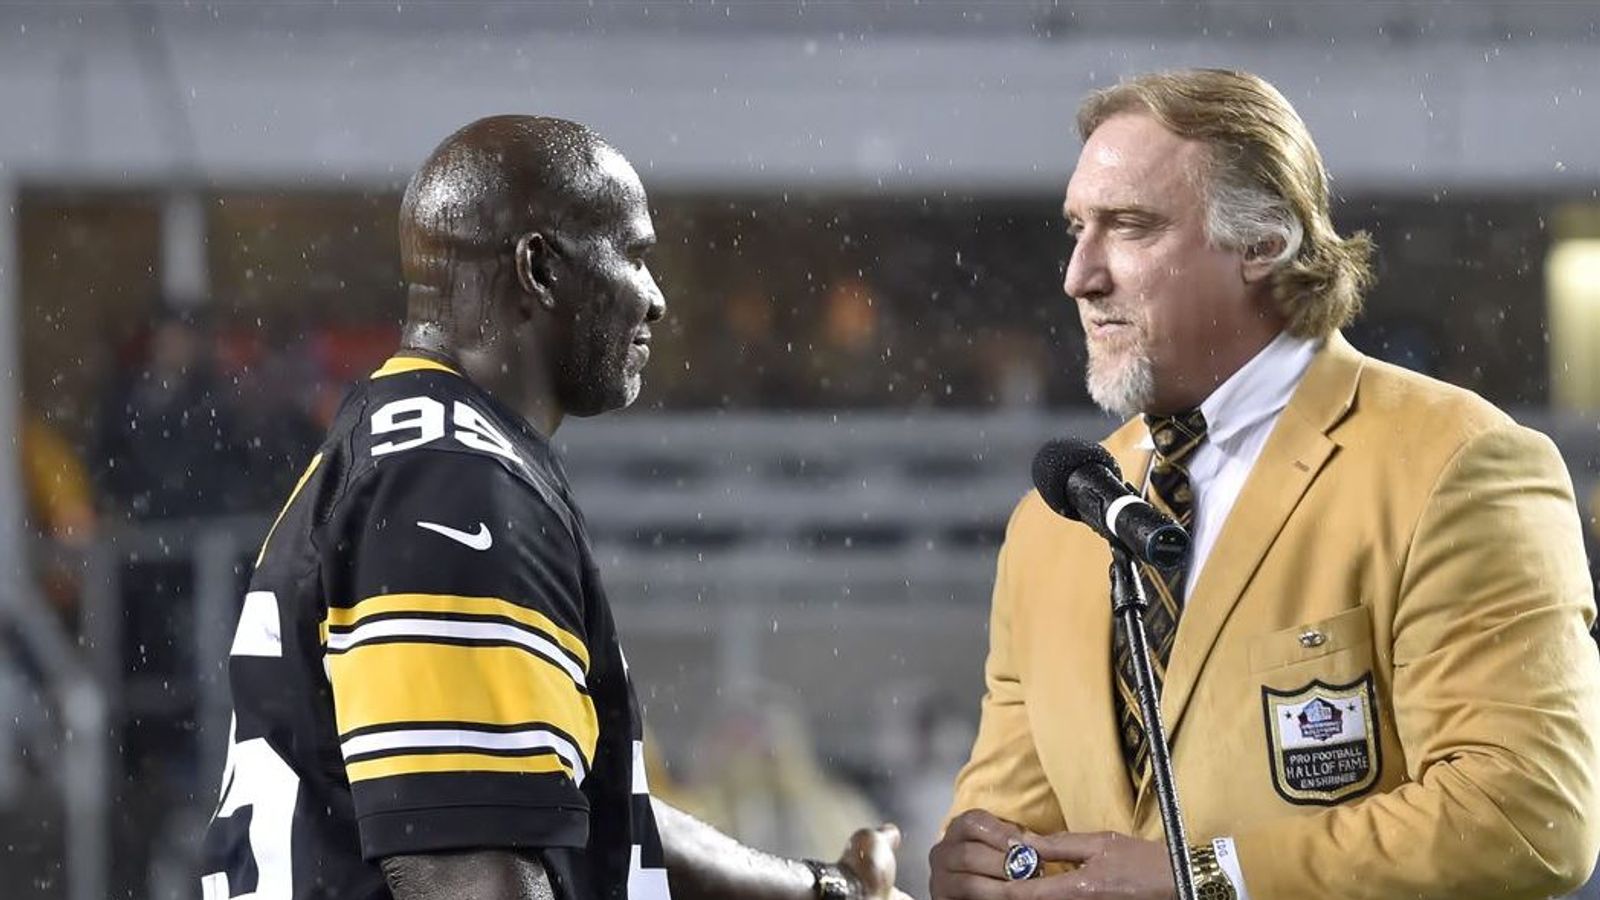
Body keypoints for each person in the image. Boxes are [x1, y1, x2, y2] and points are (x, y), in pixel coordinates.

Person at [199, 116, 912, 900]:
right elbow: (471, 869)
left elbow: (581, 818)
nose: (658, 300)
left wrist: (827, 889)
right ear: (539, 267)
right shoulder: (450, 481)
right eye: (635, 257)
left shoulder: (423, 446)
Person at [930, 69, 1600, 900]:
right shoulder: (1057, 518)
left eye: (1129, 227)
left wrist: (1205, 877)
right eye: (1076, 230)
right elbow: (1023, 835)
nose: (1079, 275)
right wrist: (986, 868)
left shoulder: (1460, 464)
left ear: (1263, 243)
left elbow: (1527, 815)